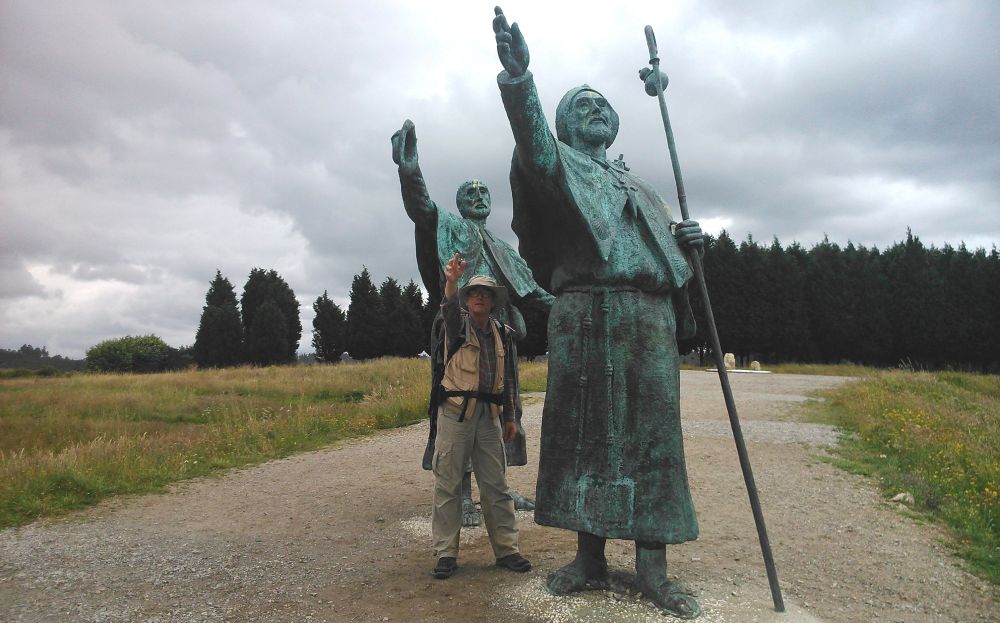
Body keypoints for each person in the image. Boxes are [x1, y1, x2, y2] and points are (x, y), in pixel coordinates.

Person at [493, 7, 706, 618]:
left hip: (647, 318)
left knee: (654, 440)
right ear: (562, 123)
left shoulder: (642, 187)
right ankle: (589, 557)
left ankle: (652, 566)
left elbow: (668, 261)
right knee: (586, 435)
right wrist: (520, 84)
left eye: (602, 105)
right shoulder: (557, 167)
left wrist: (688, 244)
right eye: (581, 105)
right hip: (585, 314)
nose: (595, 109)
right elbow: (534, 149)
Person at [392, 119, 553, 525]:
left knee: (503, 405)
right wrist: (409, 170)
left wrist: (572, 304)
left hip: (499, 334)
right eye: (471, 192)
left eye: (484, 192)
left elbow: (532, 290)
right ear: (460, 202)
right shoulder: (448, 225)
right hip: (457, 329)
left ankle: (496, 484)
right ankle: (460, 493)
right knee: (457, 405)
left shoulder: (501, 245)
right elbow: (421, 207)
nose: (479, 197)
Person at [429, 252, 532, 579]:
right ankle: (446, 553)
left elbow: (510, 378)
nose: (478, 297)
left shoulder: (502, 332)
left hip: (490, 417)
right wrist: (451, 282)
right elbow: (448, 307)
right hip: (456, 414)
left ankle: (507, 550)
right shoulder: (456, 325)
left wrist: (511, 418)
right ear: (467, 299)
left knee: (497, 487)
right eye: (473, 293)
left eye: (484, 294)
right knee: (447, 484)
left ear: (492, 301)